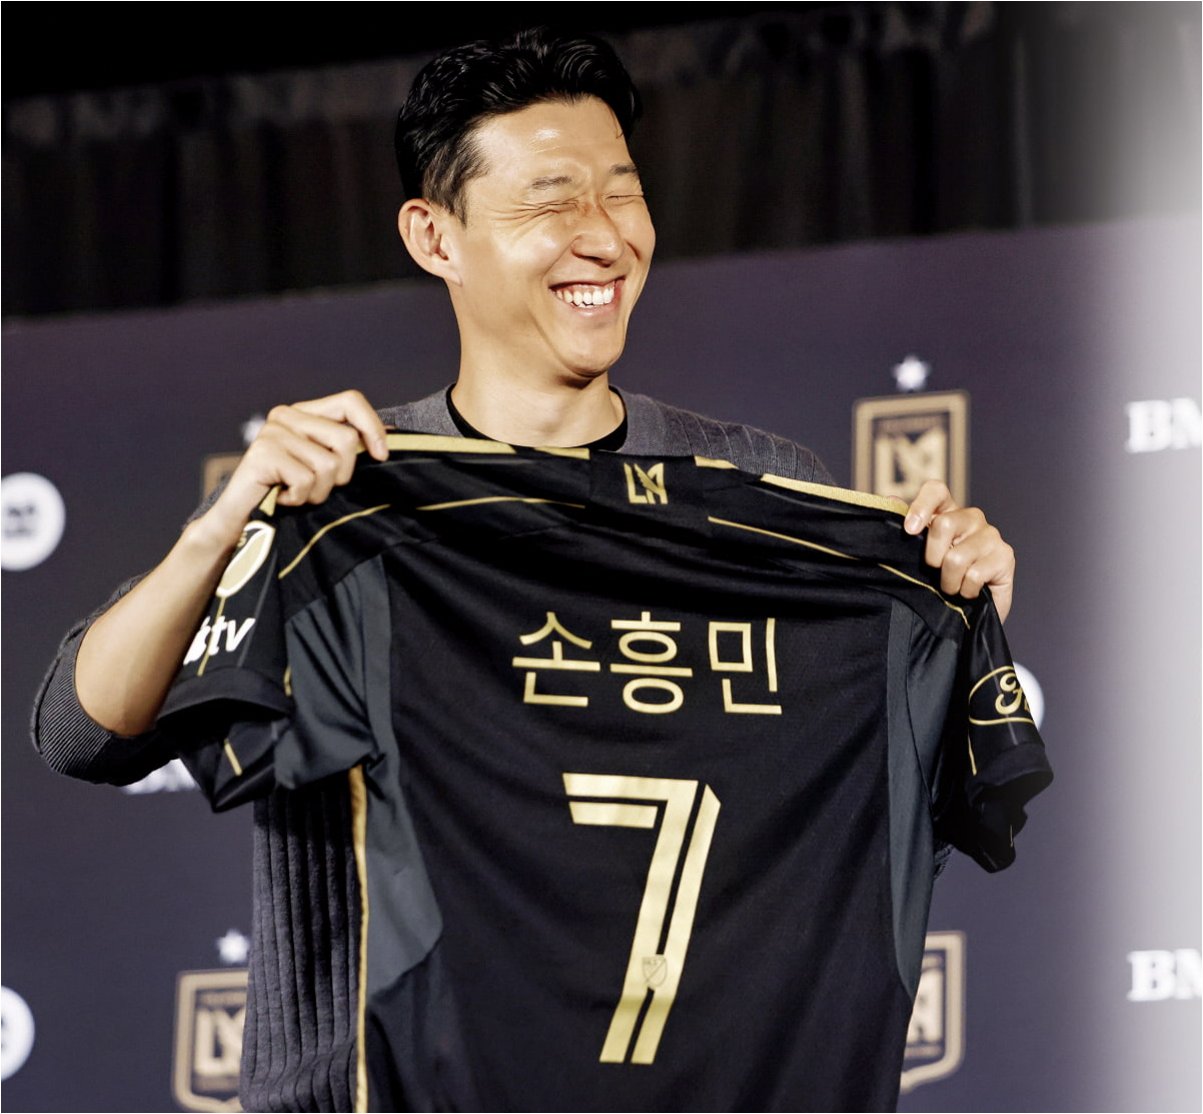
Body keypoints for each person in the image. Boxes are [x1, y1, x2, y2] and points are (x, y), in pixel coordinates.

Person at [34, 26, 1024, 1112]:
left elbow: (865, 823)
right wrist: (221, 530)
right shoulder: (343, 493)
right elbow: (83, 732)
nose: (602, 236)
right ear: (435, 236)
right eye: (551, 202)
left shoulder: (766, 495)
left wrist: (948, 613)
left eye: (624, 194)